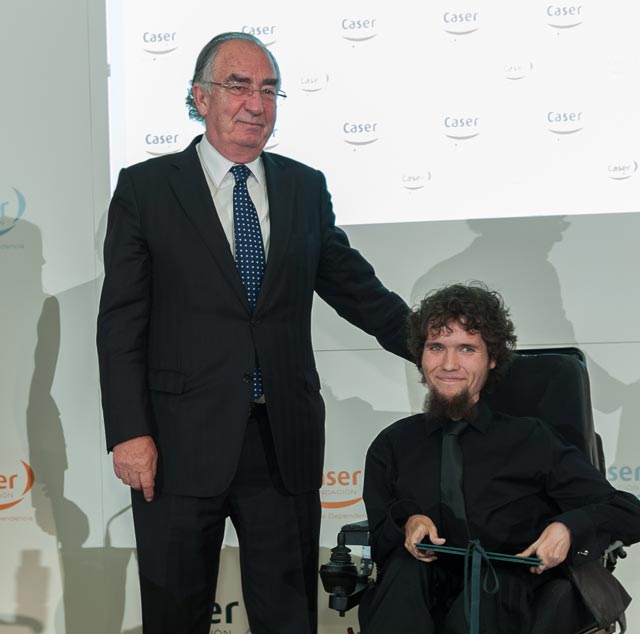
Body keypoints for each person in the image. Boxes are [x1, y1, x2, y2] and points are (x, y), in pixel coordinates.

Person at [97, 32, 410, 634]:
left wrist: (434, 345)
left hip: (281, 442)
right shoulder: (146, 189)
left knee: (288, 617)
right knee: (174, 615)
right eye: (238, 87)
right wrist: (129, 432)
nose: (255, 104)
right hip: (178, 443)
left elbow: (357, 290)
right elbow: (121, 323)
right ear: (200, 97)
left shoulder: (303, 187)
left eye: (269, 90)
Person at [360, 282, 640, 634]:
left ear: (491, 359)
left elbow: (627, 511)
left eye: (467, 348)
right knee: (404, 570)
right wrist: (407, 523)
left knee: (492, 583)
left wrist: (569, 527)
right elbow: (381, 532)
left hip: (507, 587)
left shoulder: (531, 439)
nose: (449, 364)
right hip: (419, 588)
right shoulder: (392, 444)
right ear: (421, 356)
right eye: (436, 347)